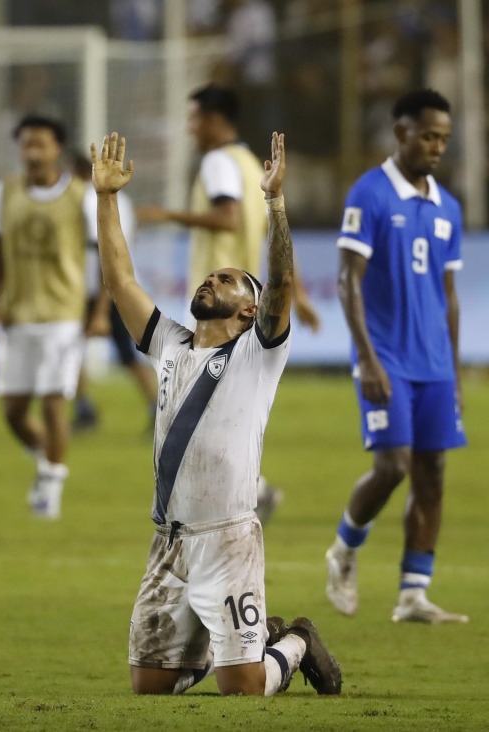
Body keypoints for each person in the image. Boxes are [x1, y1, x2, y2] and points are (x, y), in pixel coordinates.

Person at [93, 131, 340, 697]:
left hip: (228, 538)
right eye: (209, 276)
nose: (211, 279)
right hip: (169, 540)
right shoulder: (171, 345)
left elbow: (280, 280)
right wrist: (107, 198)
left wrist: (275, 203)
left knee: (244, 690)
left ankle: (296, 640)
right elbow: (119, 280)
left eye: (227, 279)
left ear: (249, 309)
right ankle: (225, 646)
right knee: (148, 688)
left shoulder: (258, 351)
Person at [138, 85, 320, 524]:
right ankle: (251, 490)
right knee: (221, 404)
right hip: (247, 301)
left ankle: (234, 495)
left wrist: (165, 216)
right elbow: (261, 235)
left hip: (219, 305)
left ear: (216, 119)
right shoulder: (246, 162)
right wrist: (301, 297)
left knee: (187, 399)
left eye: (195, 117)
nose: (190, 126)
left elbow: (229, 217)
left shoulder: (218, 162)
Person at [324, 89, 469, 624]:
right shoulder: (370, 194)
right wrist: (367, 359)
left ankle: (412, 594)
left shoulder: (447, 207)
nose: (437, 147)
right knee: (392, 467)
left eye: (444, 139)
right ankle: (343, 550)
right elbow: (346, 281)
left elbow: (449, 296)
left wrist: (453, 370)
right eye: (429, 136)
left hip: (433, 364)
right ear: (402, 133)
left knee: (432, 473)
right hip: (385, 356)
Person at [0, 115, 105, 520]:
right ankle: (48, 461)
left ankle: (49, 489)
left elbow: (107, 256)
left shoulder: (81, 196)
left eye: (41, 144)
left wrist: (100, 311)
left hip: (63, 316)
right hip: (18, 316)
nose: (33, 152)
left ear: (57, 150)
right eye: (26, 144)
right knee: (13, 412)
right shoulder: (4, 192)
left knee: (54, 405)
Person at [70, 150, 158, 433]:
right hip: (119, 286)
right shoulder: (124, 200)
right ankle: (85, 407)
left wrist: (100, 312)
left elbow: (101, 254)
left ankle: (157, 405)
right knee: (124, 352)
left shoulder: (85, 199)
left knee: (79, 348)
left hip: (99, 290)